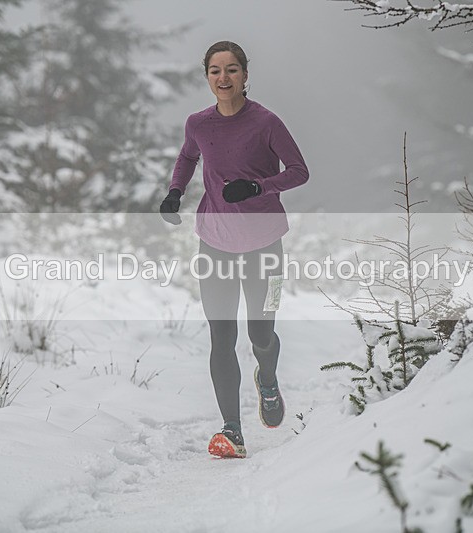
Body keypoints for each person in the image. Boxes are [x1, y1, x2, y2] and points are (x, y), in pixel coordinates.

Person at [159, 41, 309, 459]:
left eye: (231, 70)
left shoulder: (267, 122)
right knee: (221, 336)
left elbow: (299, 172)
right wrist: (174, 193)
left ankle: (268, 377)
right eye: (214, 71)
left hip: (265, 244)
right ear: (206, 76)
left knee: (261, 334)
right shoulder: (198, 123)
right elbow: (188, 158)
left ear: (245, 75)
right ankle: (232, 431)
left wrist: (259, 186)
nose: (223, 78)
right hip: (215, 243)